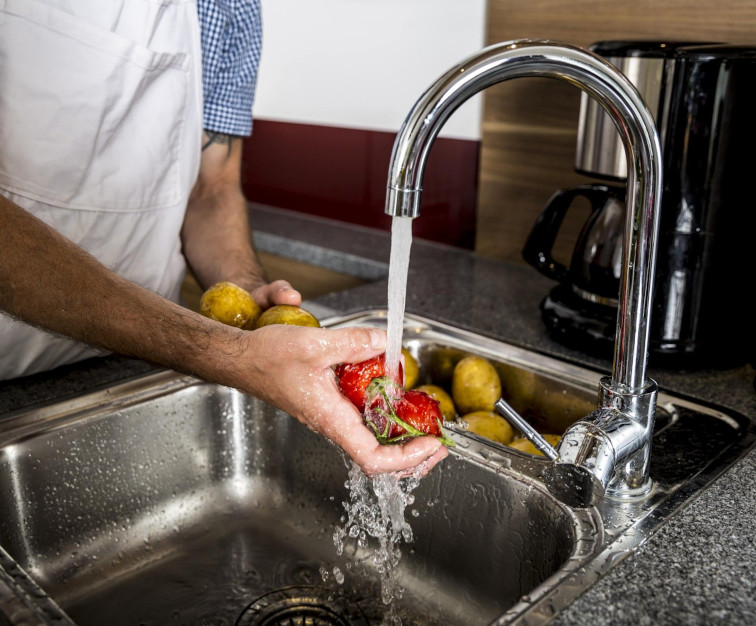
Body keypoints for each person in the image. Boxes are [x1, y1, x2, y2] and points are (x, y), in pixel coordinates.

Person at [0, 0, 447, 476]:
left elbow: (212, 187)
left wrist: (247, 292)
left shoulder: (228, 7)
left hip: (140, 364)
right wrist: (218, 351)